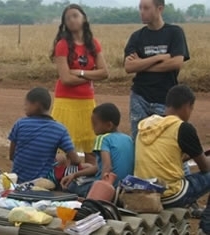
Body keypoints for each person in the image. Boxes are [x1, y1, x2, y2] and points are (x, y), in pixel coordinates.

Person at [134, 85, 210, 234]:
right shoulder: (183, 128)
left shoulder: (146, 125)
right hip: (170, 195)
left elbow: (164, 158)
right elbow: (205, 168)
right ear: (187, 106)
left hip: (142, 192)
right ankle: (206, 228)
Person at [51, 4, 109, 167]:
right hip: (66, 101)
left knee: (90, 147)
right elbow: (66, 79)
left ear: (84, 19)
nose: (71, 20)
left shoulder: (93, 44)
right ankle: (63, 182)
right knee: (64, 149)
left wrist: (80, 73)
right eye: (67, 18)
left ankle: (88, 182)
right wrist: (91, 75)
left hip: (87, 102)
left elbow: (105, 72)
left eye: (75, 16)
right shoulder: (62, 44)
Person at [124, 0, 190, 140]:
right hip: (139, 97)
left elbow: (177, 63)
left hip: (165, 98)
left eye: (146, 8)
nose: (142, 11)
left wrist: (141, 64)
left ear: (159, 9)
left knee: (166, 141)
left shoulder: (175, 32)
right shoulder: (136, 37)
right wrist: (158, 57)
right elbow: (129, 67)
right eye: (140, 8)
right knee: (139, 140)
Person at [8, 87, 84, 184]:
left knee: (59, 158)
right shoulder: (60, 129)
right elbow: (76, 160)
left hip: (18, 179)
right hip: (43, 181)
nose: (24, 107)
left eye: (26, 104)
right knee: (63, 158)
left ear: (36, 105)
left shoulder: (20, 124)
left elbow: (12, 156)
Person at [62, 103, 135, 197]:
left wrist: (101, 191)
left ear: (109, 125)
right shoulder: (128, 138)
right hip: (125, 186)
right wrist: (75, 175)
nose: (92, 128)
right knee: (82, 177)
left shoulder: (102, 139)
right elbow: (98, 167)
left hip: (110, 186)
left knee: (71, 186)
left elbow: (107, 167)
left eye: (95, 124)